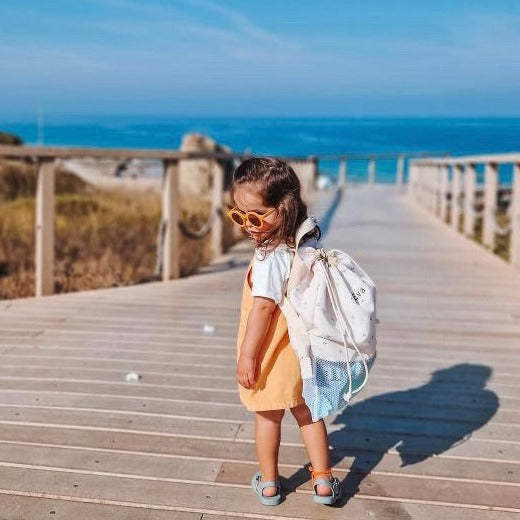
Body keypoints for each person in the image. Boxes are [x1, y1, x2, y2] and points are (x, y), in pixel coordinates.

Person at [227, 157, 342, 506]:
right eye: (238, 215)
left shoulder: (268, 258)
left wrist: (248, 355)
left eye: (255, 216)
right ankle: (323, 481)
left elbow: (262, 309)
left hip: (272, 353)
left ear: (282, 209)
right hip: (304, 351)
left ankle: (270, 483)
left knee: (268, 416)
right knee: (309, 413)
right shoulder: (303, 240)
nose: (247, 225)